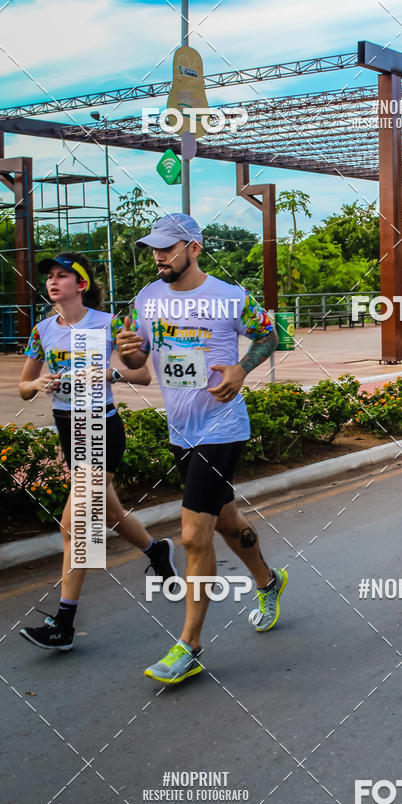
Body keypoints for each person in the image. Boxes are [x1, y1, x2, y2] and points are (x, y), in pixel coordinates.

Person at [116, 214, 288, 685]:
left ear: (194, 247)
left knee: (194, 536)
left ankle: (189, 647)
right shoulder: (146, 299)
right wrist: (129, 350)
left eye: (168, 248)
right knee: (227, 521)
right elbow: (139, 363)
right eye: (153, 248)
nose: (158, 257)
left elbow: (273, 334)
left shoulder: (230, 297)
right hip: (181, 431)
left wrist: (241, 368)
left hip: (222, 427)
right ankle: (269, 581)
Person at [18, 252, 177, 651]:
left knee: (74, 526)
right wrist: (38, 386)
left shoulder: (108, 325)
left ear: (82, 284)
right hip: (67, 428)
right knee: (108, 512)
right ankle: (156, 550)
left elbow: (142, 374)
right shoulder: (42, 331)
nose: (53, 283)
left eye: (63, 276)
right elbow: (22, 386)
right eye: (50, 277)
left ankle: (64, 624)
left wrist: (108, 372)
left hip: (100, 426)